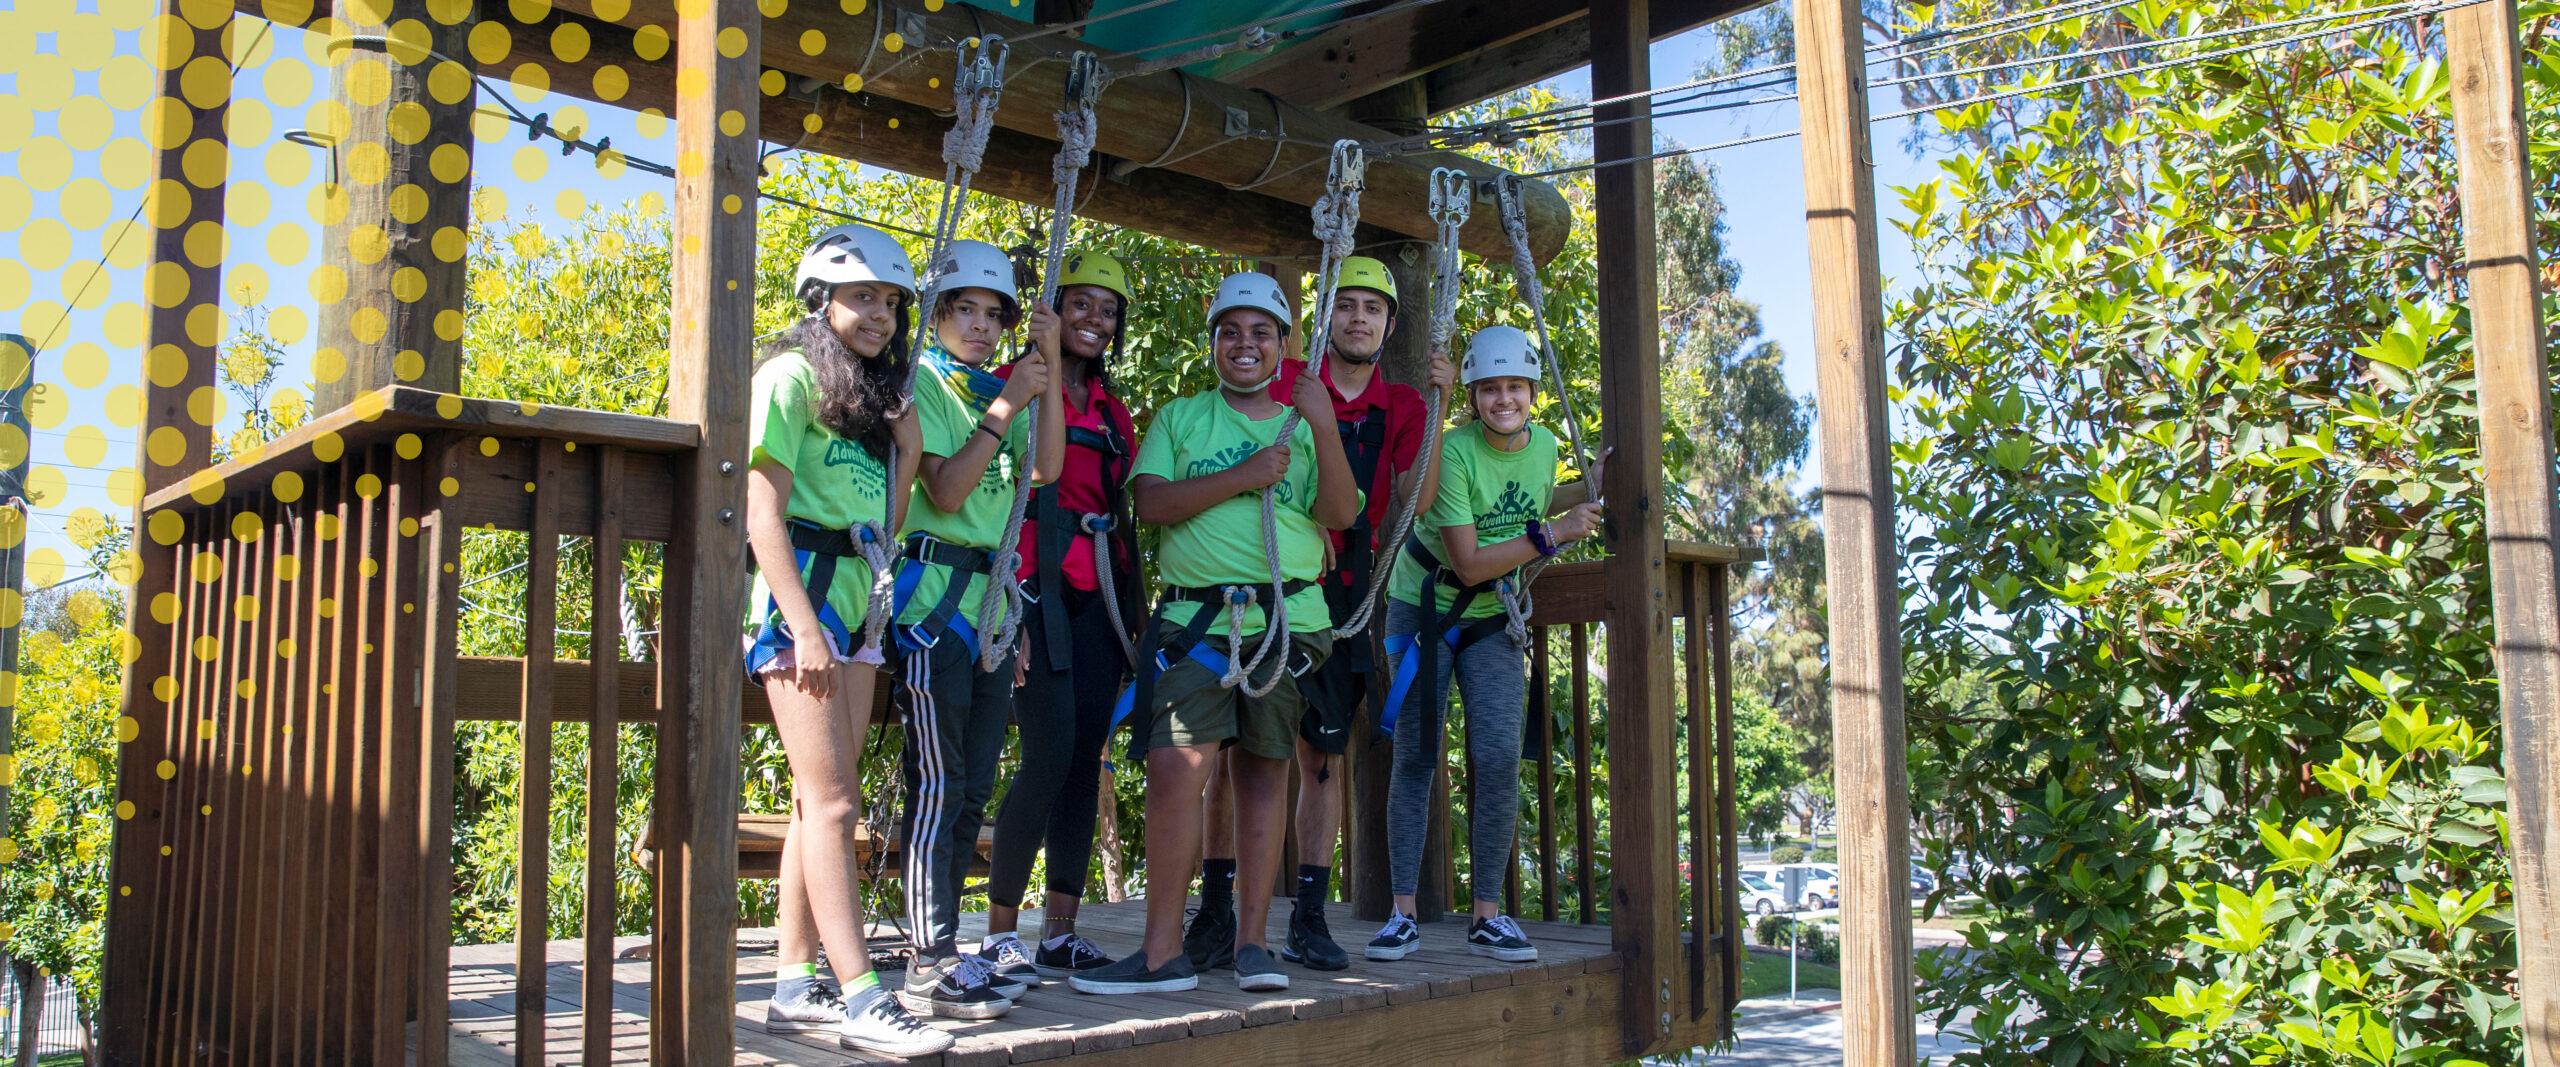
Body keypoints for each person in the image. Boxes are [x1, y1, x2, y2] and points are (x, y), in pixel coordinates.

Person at [1070, 272, 1360, 995]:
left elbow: (1341, 513)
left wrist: (1322, 422)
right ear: (1213, 343)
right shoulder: (1182, 418)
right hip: (1198, 622)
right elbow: (1155, 503)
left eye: (1261, 331)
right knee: (1176, 769)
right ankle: (1161, 950)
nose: (1245, 344)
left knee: (1264, 769)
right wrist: (1245, 474)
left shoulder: (1303, 419)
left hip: (1285, 624)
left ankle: (1253, 943)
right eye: (1230, 330)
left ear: (1283, 345)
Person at [1191, 256, 1452, 973]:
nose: (1359, 318)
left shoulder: (1401, 406)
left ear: (1389, 325)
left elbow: (1418, 499)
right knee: (1229, 750)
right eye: (1347, 306)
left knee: (1322, 760)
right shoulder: (1283, 375)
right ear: (1327, 316)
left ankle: (1308, 913)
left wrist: (1439, 405)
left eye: (1374, 309)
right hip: (1261, 577)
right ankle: (1214, 911)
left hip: (1342, 593)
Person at [741, 223, 950, 1057]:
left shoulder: (868, 405)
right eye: (863, 297)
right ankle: (864, 994)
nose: (880, 316)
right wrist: (800, 625)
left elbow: (885, 528)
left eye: (892, 303)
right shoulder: (789, 377)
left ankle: (796, 981)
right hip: (807, 612)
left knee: (813, 799)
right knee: (835, 803)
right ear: (820, 300)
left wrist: (906, 447)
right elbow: (763, 511)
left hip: (857, 614)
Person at [1365, 325, 1604, 965]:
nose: (1504, 399)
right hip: (1424, 609)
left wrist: (1587, 489)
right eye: (1490, 389)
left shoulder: (1547, 445)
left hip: (1490, 617)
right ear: (1473, 396)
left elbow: (1521, 501)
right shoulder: (1454, 452)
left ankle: (1488, 916)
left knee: (1498, 758)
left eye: (1516, 388)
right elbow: (1469, 561)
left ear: (1532, 393)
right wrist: (1555, 534)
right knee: (1418, 756)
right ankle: (1402, 914)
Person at [892, 238, 1066, 1019]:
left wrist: (1047, 372)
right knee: (941, 782)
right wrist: (1006, 404)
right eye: (966, 309)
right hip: (932, 607)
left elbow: (1051, 468)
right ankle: (926, 957)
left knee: (973, 793)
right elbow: (952, 490)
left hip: (992, 607)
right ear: (935, 313)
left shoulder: (997, 385)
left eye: (994, 315)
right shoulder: (925, 382)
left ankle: (947, 947)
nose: (983, 326)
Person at [977, 250, 1141, 982]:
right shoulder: (1021, 385)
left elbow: (1125, 512)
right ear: (1053, 307)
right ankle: (1000, 932)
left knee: (1084, 761)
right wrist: (997, 605)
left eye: (1108, 310)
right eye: (1081, 304)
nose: (1094, 321)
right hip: (1033, 589)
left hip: (1098, 599)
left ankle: (1060, 930)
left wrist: (1138, 618)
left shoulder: (1112, 412)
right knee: (1045, 755)